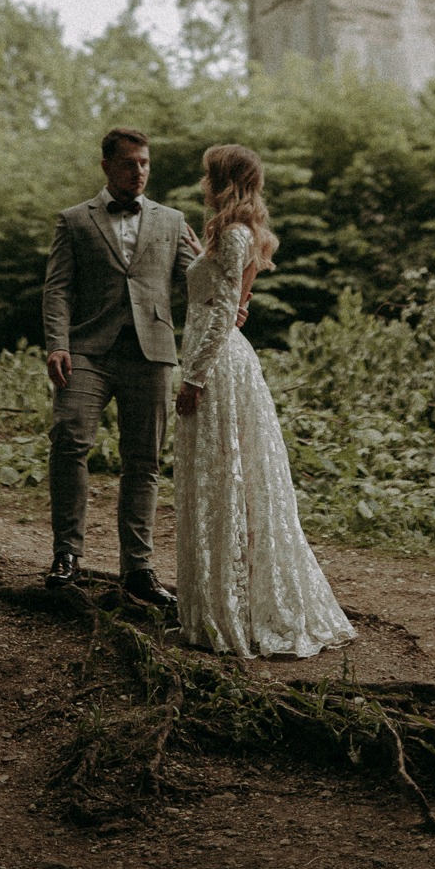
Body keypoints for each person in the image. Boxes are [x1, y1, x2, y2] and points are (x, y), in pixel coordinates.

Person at [174, 143, 355, 659]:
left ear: (222, 181)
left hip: (216, 369)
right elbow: (228, 299)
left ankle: (231, 612)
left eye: (207, 175)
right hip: (221, 358)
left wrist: (194, 379)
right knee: (223, 476)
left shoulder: (233, 235)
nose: (201, 183)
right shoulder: (231, 236)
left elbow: (225, 307)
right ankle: (221, 604)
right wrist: (197, 252)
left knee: (224, 477)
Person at [43, 125, 200, 608]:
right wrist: (57, 343)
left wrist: (222, 262)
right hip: (87, 350)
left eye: (145, 163)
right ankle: (67, 554)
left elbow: (198, 284)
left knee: (144, 462)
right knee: (69, 440)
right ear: (107, 165)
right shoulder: (73, 220)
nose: (139, 172)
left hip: (151, 353)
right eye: (130, 163)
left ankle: (138, 570)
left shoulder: (172, 221)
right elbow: (57, 289)